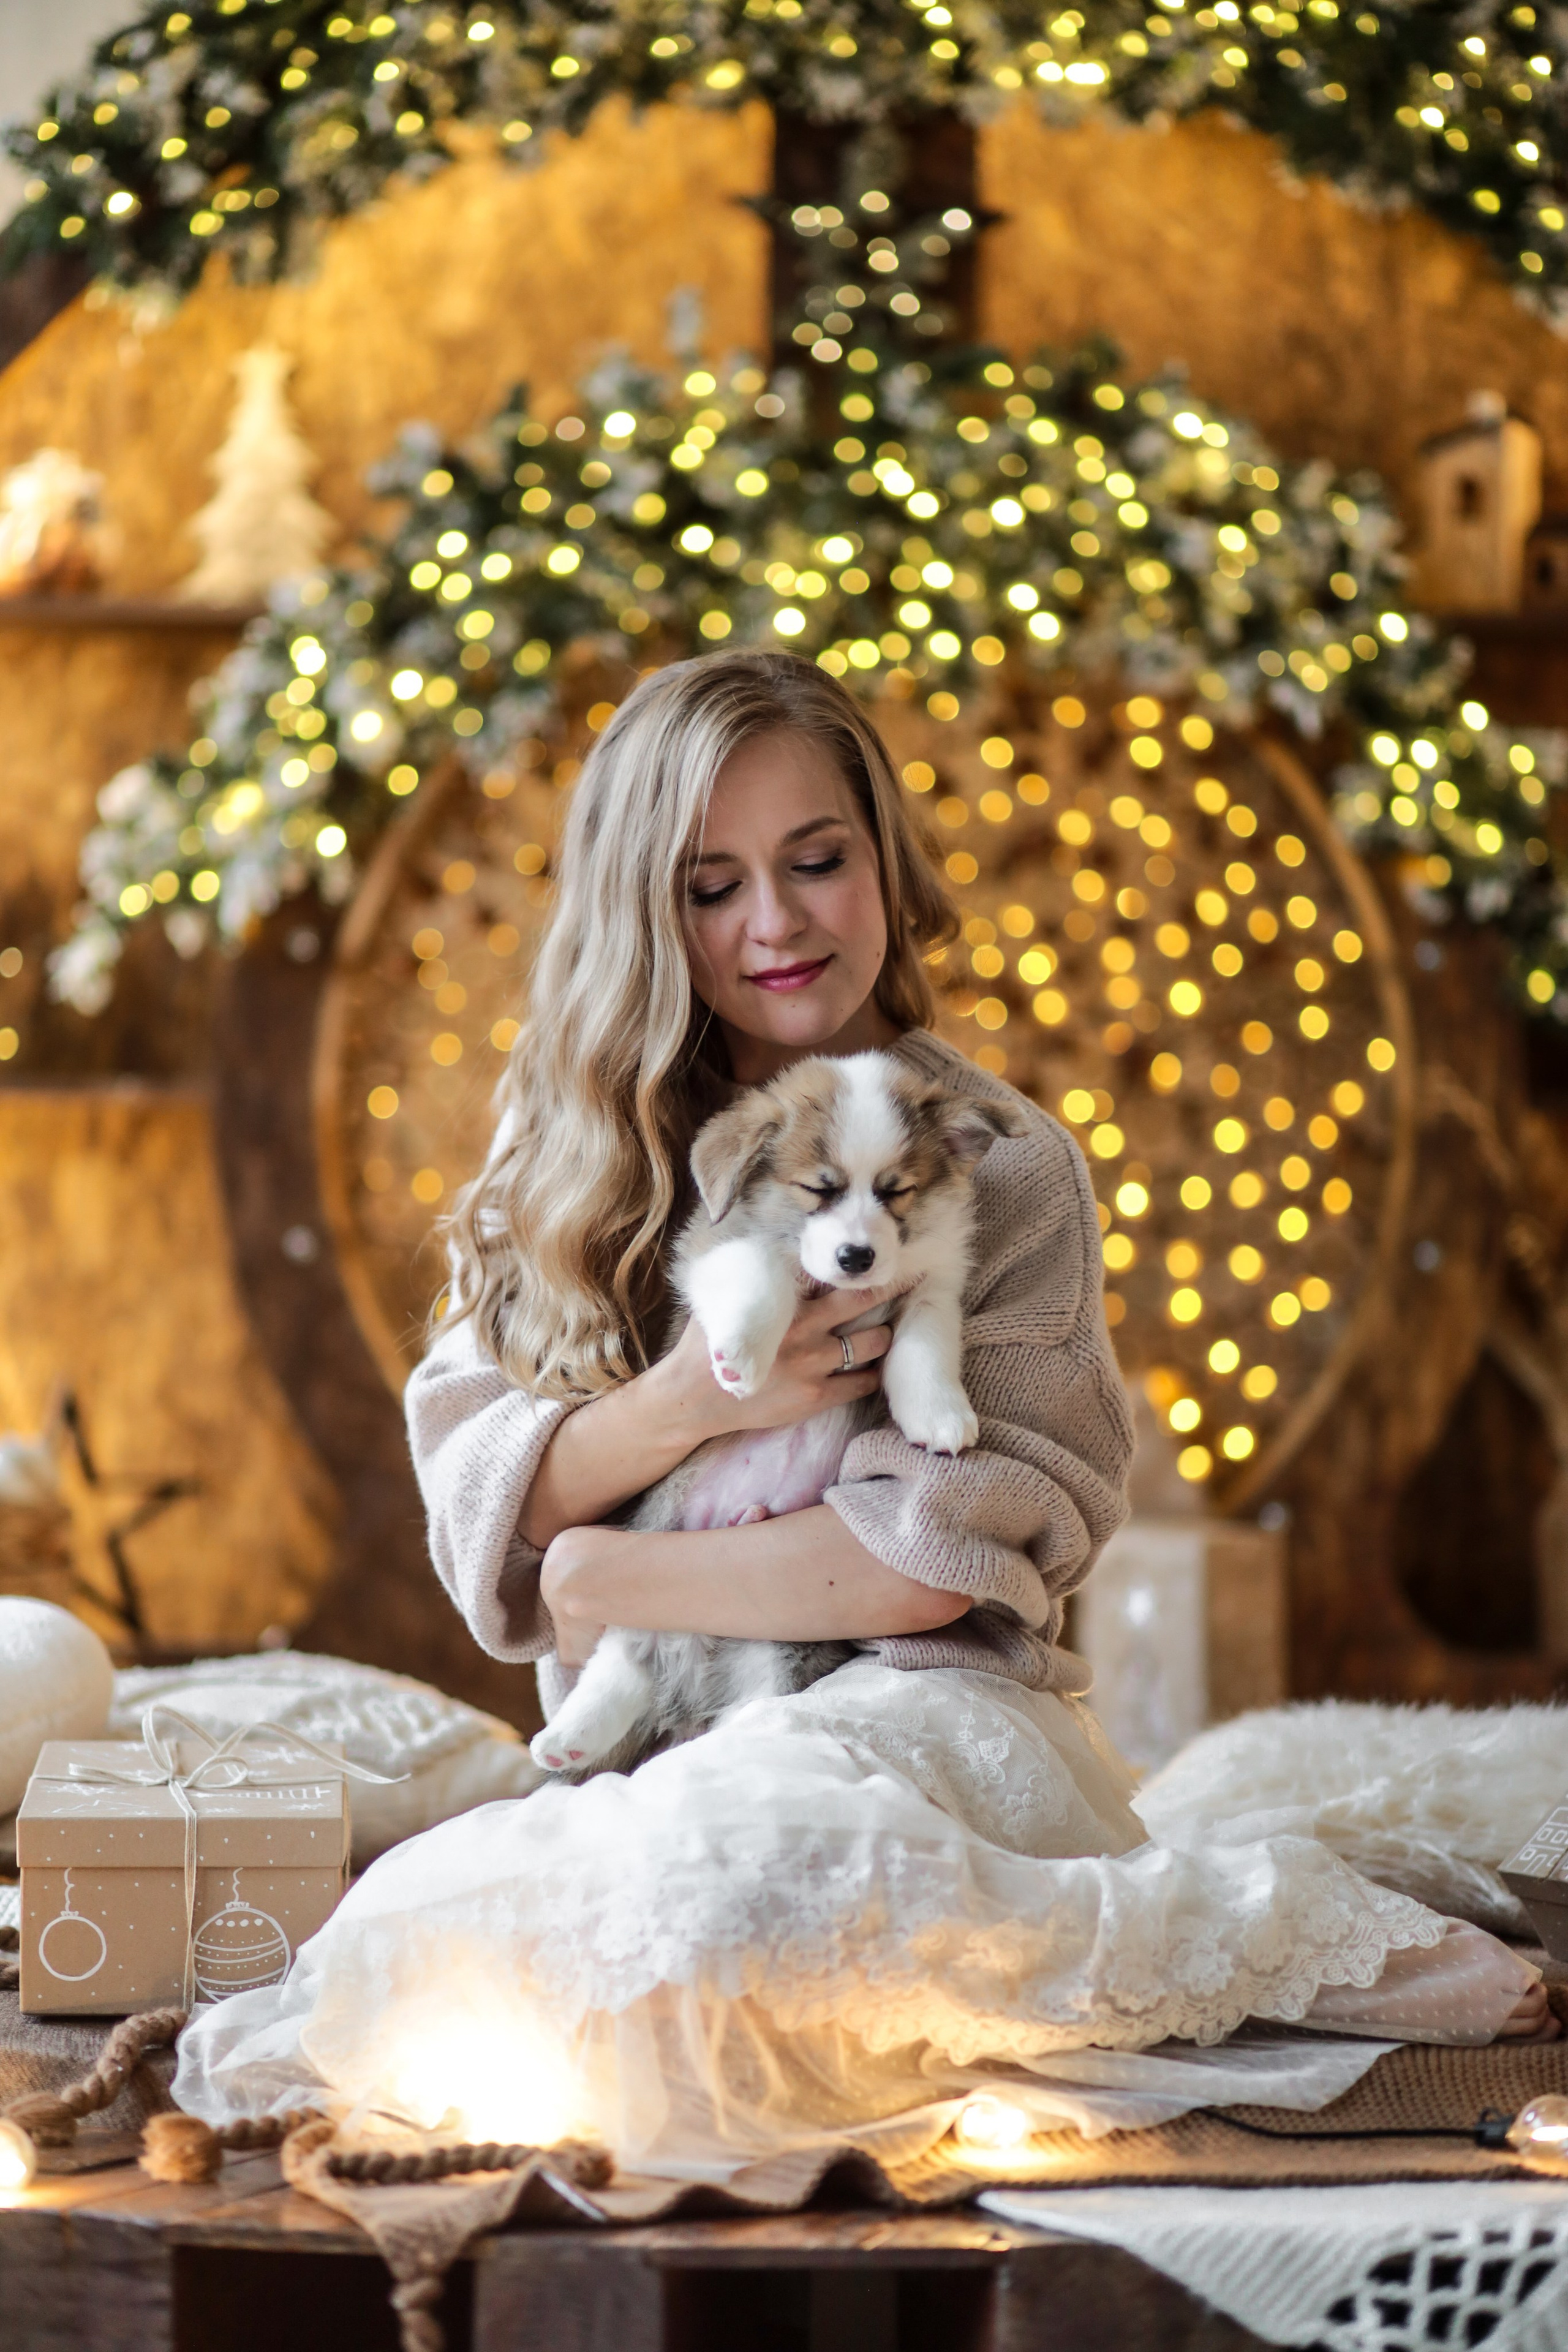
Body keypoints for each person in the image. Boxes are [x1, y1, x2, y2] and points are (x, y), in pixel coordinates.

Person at [175, 652, 1552, 2169]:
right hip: (657, 1728)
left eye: (816, 861)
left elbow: (928, 1558)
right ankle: (1118, 1965)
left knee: (771, 1867)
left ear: (881, 865)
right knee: (475, 1970)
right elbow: (482, 1497)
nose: (773, 922)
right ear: (643, 908)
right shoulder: (570, 1159)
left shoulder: (997, 1160)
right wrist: (703, 1400)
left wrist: (605, 1572)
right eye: (710, 886)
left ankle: (1269, 1935)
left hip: (928, 1715)